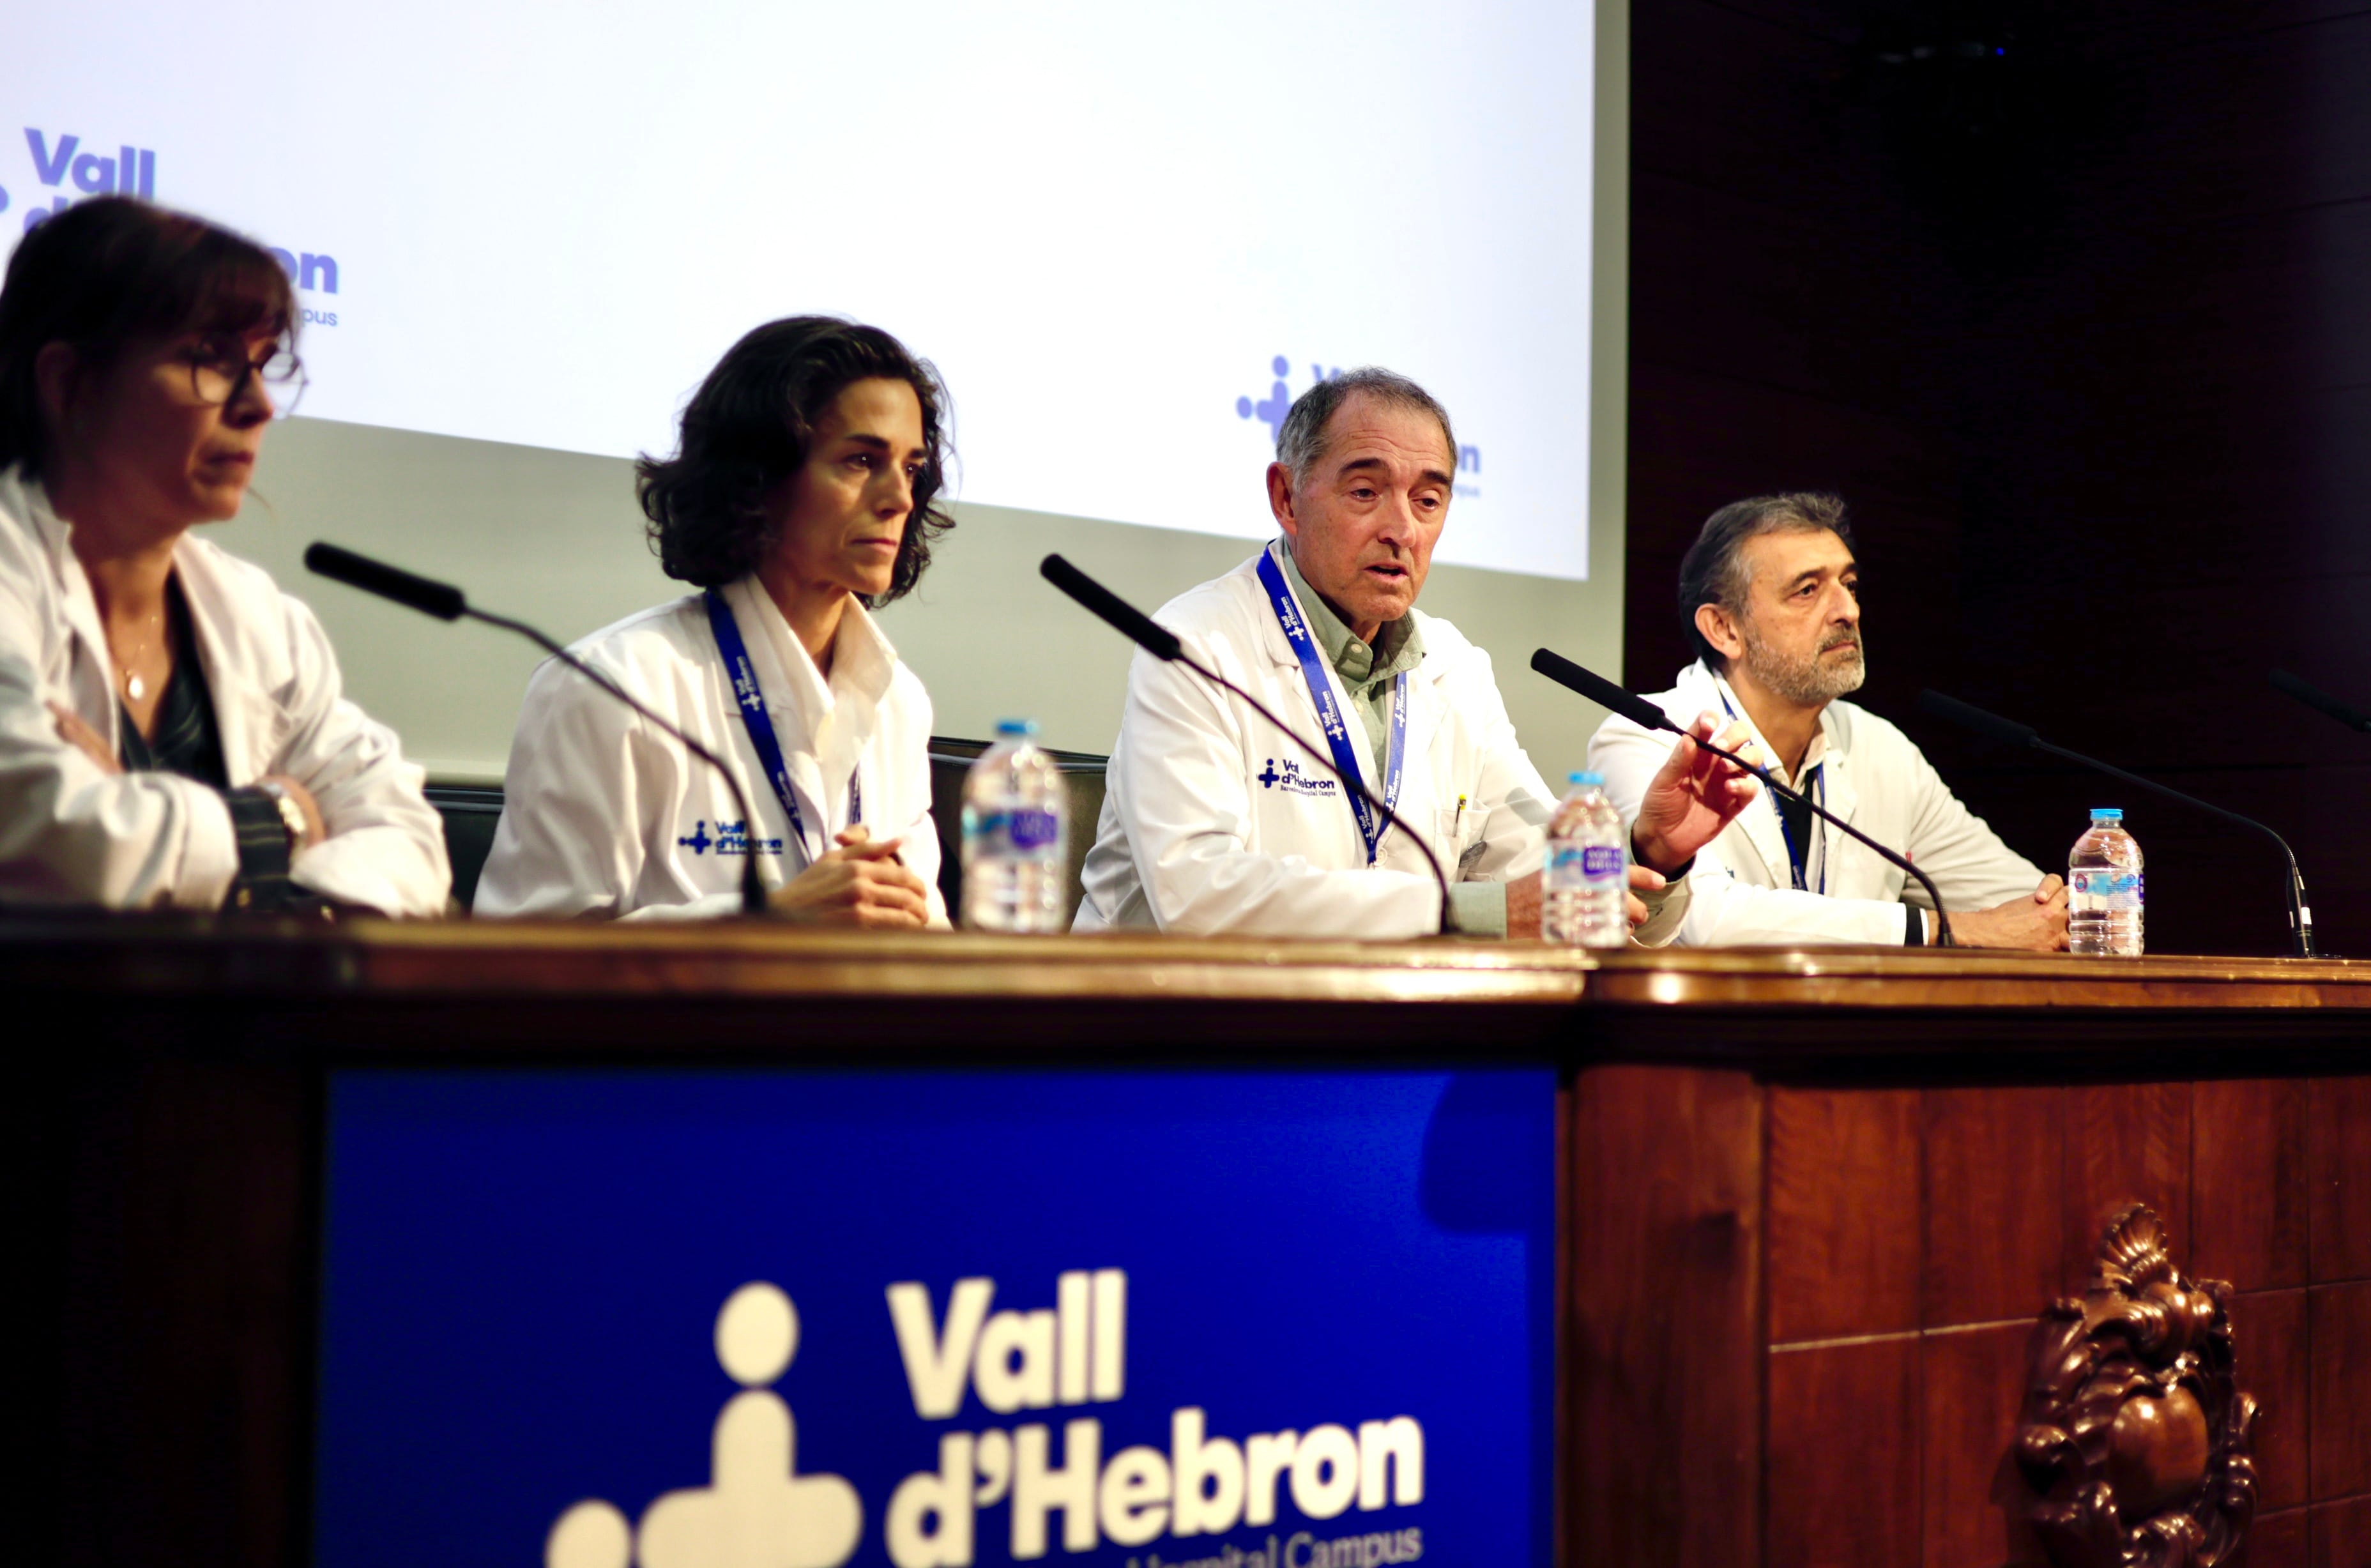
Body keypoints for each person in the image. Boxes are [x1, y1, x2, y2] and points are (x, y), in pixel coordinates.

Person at [1074, 367, 1761, 940]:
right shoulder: (1197, 643)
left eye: (1427, 500)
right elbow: (1200, 899)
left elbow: (1549, 886)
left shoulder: (1454, 668)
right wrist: (1472, 912)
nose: (1401, 528)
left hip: (1385, 1048)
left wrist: (1650, 852)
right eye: (1366, 491)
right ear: (1286, 497)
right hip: (1166, 1054)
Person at [0, 197, 449, 916]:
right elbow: (54, 838)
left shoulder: (258, 617)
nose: (258, 406)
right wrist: (284, 818)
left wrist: (249, 892)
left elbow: (408, 838)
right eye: (208, 361)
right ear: (68, 383)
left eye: (265, 365)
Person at [476, 317, 950, 924]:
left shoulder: (900, 705)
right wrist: (763, 928)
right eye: (862, 460)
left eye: (911, 468)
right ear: (761, 478)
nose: (901, 498)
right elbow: (523, 974)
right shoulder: (611, 687)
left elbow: (928, 939)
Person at [1587, 492, 2068, 948]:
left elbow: (2014, 899)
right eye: (1808, 589)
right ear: (1724, 629)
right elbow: (1707, 920)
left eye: (1850, 585)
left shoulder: (1880, 748)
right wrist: (1948, 929)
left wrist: (2058, 911)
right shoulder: (1647, 735)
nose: (1849, 610)